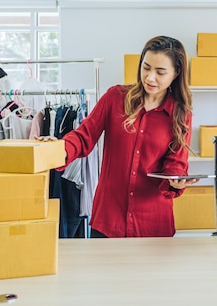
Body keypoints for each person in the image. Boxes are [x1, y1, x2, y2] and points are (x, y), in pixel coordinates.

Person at [36, 36, 197, 238]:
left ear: (176, 73)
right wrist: (60, 147)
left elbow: (176, 163)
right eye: (146, 68)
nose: (150, 77)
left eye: (160, 72)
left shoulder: (180, 114)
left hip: (153, 226)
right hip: (108, 222)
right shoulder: (115, 98)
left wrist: (175, 180)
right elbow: (84, 135)